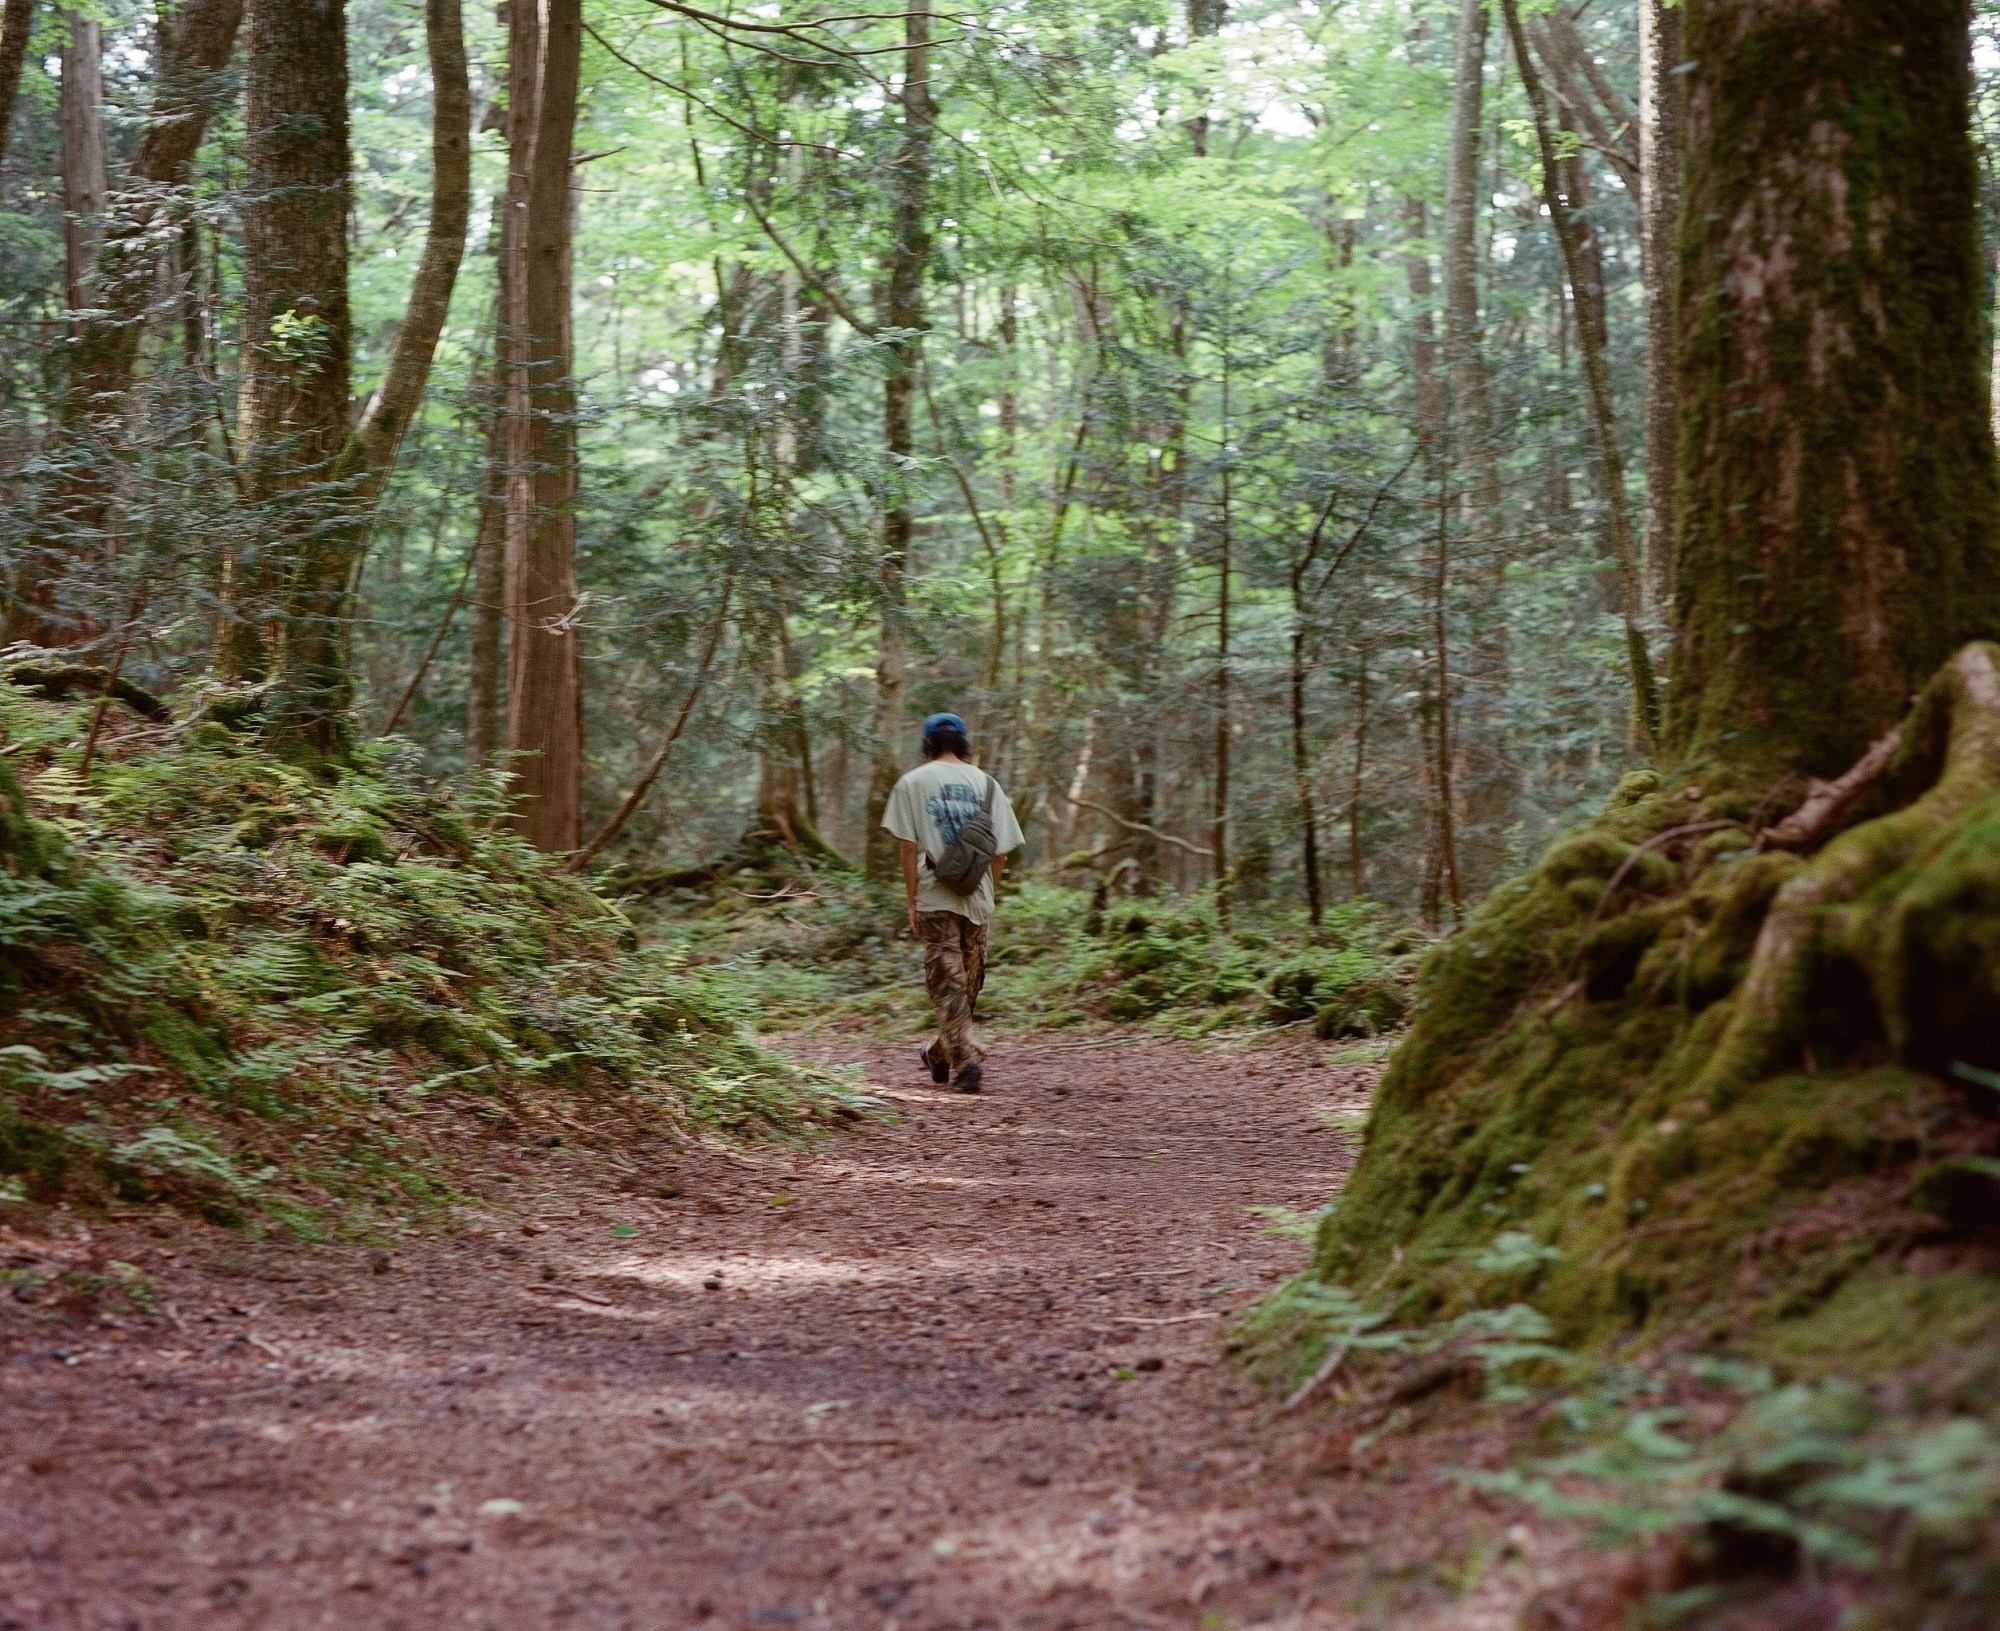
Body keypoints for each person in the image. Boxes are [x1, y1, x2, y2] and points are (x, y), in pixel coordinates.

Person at [880, 712, 1025, 1094]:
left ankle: (938, 1051)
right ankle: (966, 1065)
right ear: (964, 742)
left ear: (928, 743)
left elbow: (908, 846)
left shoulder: (911, 783)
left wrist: (912, 899)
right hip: (977, 896)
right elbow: (1000, 852)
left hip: (933, 893)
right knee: (966, 981)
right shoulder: (987, 784)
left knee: (952, 982)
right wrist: (988, 890)